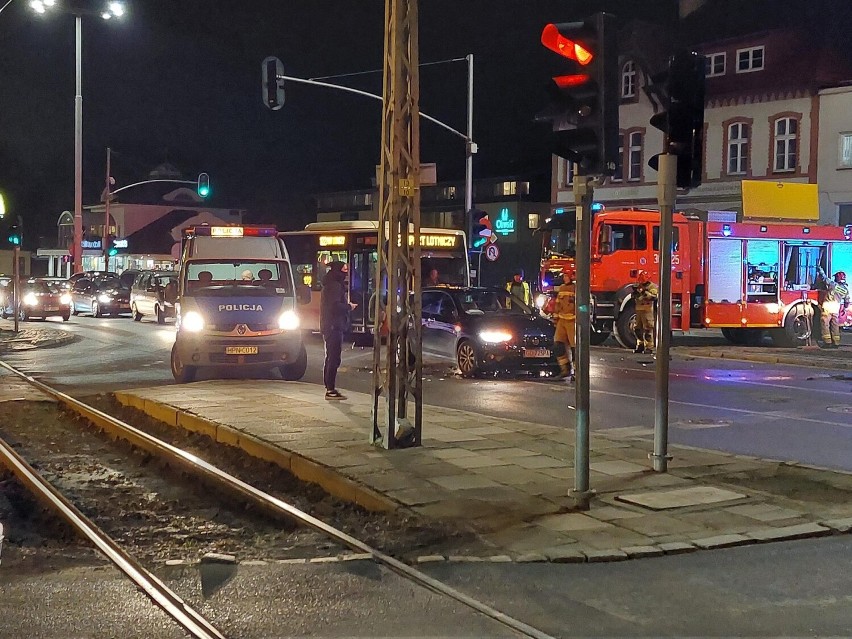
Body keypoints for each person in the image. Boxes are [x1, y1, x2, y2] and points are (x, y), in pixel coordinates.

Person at [320, 261, 355, 400]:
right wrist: (349, 306)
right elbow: (334, 306)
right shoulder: (334, 286)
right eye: (344, 269)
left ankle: (329, 387)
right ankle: (330, 389)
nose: (346, 273)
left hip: (331, 325)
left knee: (331, 357)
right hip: (333, 326)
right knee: (334, 358)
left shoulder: (331, 284)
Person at [550, 271, 576, 381]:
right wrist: (555, 319)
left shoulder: (576, 288)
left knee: (575, 348)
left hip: (573, 321)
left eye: (567, 276)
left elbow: (582, 305)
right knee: (557, 344)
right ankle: (565, 369)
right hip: (562, 320)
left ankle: (577, 372)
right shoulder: (561, 288)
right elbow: (558, 305)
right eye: (564, 276)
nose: (565, 278)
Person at [816, 267, 849, 349]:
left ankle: (827, 342)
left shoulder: (833, 285)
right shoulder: (845, 290)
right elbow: (846, 301)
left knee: (825, 324)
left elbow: (824, 278)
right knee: (835, 325)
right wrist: (845, 309)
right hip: (836, 308)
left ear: (837, 278)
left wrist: (820, 270)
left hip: (828, 307)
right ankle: (836, 342)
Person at [631, 270, 658, 354]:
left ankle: (649, 347)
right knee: (637, 329)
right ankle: (640, 345)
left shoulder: (652, 286)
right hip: (639, 310)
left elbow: (653, 297)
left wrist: (643, 292)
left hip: (647, 310)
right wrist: (635, 292)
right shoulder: (639, 285)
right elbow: (633, 297)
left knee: (648, 329)